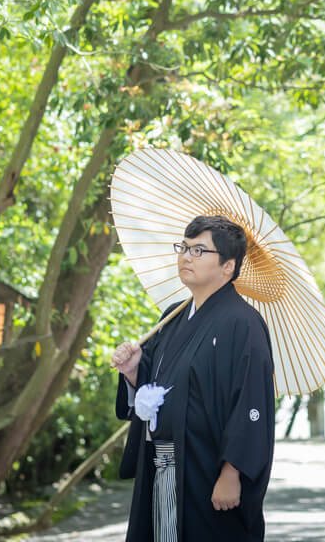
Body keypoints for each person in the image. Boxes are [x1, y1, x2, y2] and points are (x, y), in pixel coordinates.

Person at [111, 215, 275, 542]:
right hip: (161, 465)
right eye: (183, 248)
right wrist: (132, 373)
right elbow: (155, 391)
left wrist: (232, 473)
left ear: (228, 266)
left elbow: (251, 404)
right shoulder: (171, 318)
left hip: (206, 467)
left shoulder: (244, 324)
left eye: (199, 250)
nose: (186, 256)